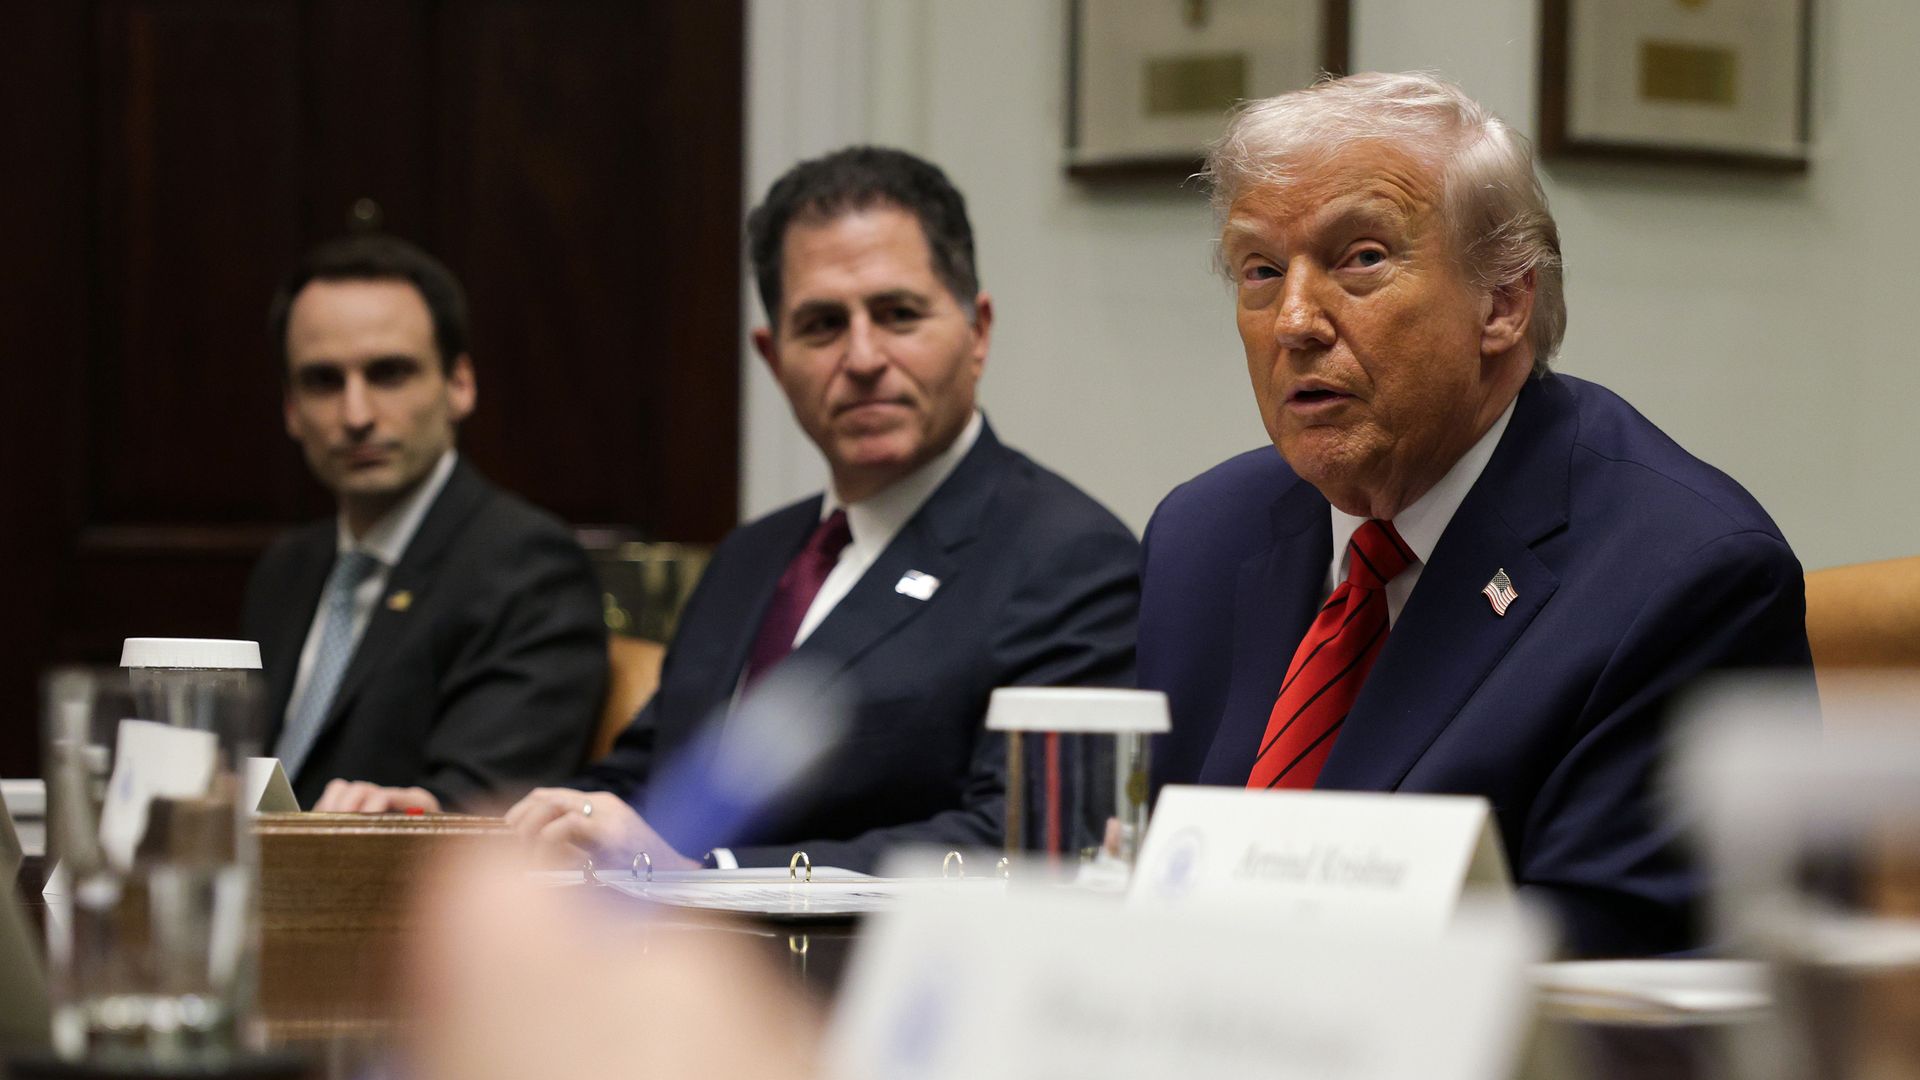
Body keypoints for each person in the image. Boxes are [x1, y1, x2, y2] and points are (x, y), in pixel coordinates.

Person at [1139, 72, 1812, 956]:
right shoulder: (1201, 535)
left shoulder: (1685, 577)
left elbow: (1603, 974)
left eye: (1361, 259)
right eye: (1261, 271)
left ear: (1503, 301)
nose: (1294, 321)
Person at [504, 146, 1141, 872]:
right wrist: (489, 831)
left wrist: (716, 880)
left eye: (899, 315)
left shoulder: (1068, 555)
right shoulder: (751, 557)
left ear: (978, 333)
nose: (863, 357)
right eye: (823, 326)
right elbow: (644, 787)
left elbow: (1019, 839)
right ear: (774, 359)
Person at [242, 235, 607, 812]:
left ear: (459, 384)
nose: (355, 415)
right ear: (291, 408)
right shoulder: (287, 568)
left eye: (388, 374)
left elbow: (478, 812)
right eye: (323, 381)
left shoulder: (528, 567)